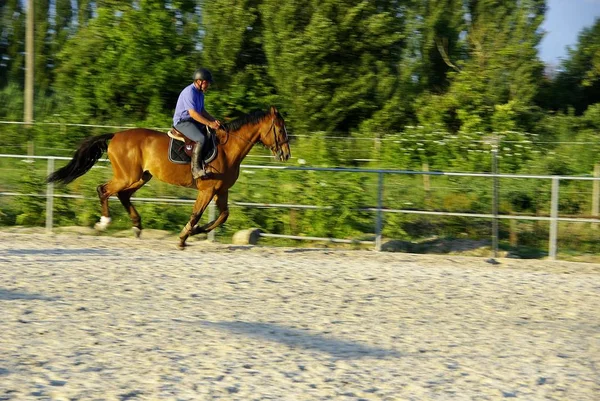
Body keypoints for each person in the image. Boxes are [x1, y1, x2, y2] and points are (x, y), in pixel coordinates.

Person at [173, 68, 222, 179]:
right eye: (207, 82)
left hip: (192, 121)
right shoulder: (189, 92)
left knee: (211, 134)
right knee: (201, 138)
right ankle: (195, 169)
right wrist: (209, 123)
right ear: (200, 81)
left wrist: (214, 120)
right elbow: (193, 113)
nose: (208, 85)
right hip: (182, 122)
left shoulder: (200, 93)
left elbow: (202, 111)